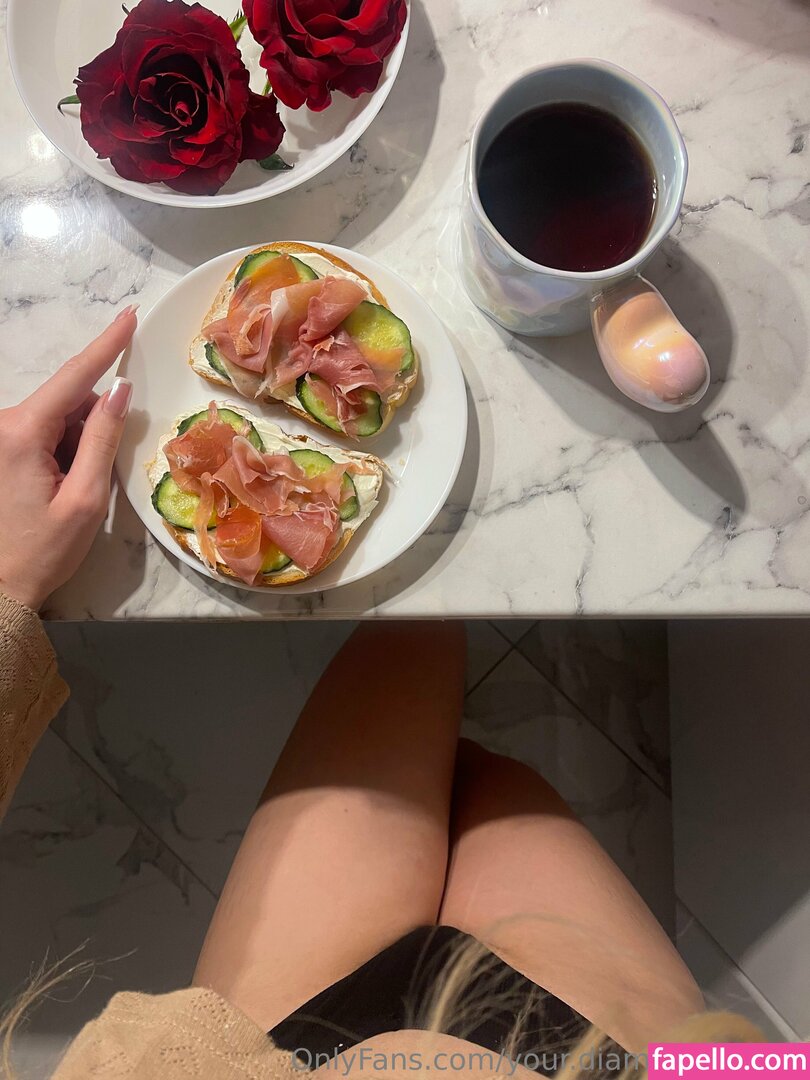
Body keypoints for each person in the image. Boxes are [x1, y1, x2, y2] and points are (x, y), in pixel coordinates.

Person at [0, 314, 756, 1079]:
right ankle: (446, 779)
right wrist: (759, 1066)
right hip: (607, 1061)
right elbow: (768, 1064)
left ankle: (439, 779)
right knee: (480, 760)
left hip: (270, 1057)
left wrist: (6, 584)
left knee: (418, 661)